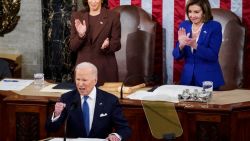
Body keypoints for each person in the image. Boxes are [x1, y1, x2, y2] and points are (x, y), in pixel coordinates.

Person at [46, 62, 131, 141]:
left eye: (84, 80)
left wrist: (116, 135)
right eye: (78, 79)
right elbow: (51, 128)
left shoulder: (110, 100)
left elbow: (124, 128)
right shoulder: (67, 98)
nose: (80, 84)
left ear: (95, 80)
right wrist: (57, 114)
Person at [172, 0, 225, 90]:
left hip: (208, 79)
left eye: (196, 12)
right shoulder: (184, 25)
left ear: (204, 12)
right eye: (189, 12)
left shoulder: (214, 26)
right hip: (187, 79)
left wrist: (195, 46)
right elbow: (176, 56)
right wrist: (181, 45)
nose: (192, 15)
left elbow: (213, 56)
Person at [70, 0, 121, 86]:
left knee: (106, 99)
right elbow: (73, 46)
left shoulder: (113, 16)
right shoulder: (77, 16)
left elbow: (117, 44)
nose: (93, 1)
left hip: (105, 70)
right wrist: (81, 35)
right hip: (83, 70)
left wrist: (107, 46)